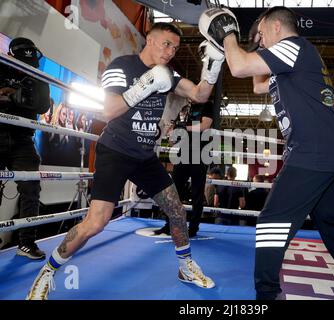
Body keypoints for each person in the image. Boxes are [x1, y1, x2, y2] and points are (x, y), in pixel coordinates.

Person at [26, 22, 224, 299]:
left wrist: (213, 66)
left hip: (144, 156)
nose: (170, 52)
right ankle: (47, 271)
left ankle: (186, 267)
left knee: (177, 211)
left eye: (175, 48)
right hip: (115, 151)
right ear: (150, 40)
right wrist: (144, 85)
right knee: (96, 223)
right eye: (166, 44)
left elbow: (199, 94)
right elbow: (109, 110)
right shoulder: (122, 66)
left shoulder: (169, 74)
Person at [199, 6, 334, 300]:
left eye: (261, 33)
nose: (259, 39)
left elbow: (239, 67)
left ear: (275, 27)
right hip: (327, 152)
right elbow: (258, 84)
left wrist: (228, 33)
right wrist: (251, 46)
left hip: (313, 151)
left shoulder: (292, 47)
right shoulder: (289, 60)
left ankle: (268, 295)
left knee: (271, 222)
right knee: (329, 223)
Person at [0, 37, 51, 260]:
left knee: (31, 189)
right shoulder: (1, 65)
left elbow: (42, 105)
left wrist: (11, 95)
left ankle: (26, 243)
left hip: (23, 138)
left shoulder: (38, 75)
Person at [153, 99, 214, 237]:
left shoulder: (207, 104)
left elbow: (205, 125)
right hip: (183, 153)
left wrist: (184, 128)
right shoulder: (185, 108)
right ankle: (170, 225)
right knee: (174, 191)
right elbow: (176, 134)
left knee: (197, 193)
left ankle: (193, 228)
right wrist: (173, 134)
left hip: (200, 153)